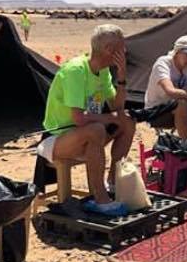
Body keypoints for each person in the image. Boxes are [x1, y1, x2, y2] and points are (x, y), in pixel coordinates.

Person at [39, 24, 135, 217]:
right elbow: (79, 118)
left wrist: (122, 78)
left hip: (87, 133)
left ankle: (113, 181)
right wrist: (108, 118)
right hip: (57, 139)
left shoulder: (103, 72)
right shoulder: (76, 70)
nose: (125, 51)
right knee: (96, 129)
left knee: (127, 121)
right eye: (121, 47)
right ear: (109, 49)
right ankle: (100, 198)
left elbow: (117, 107)